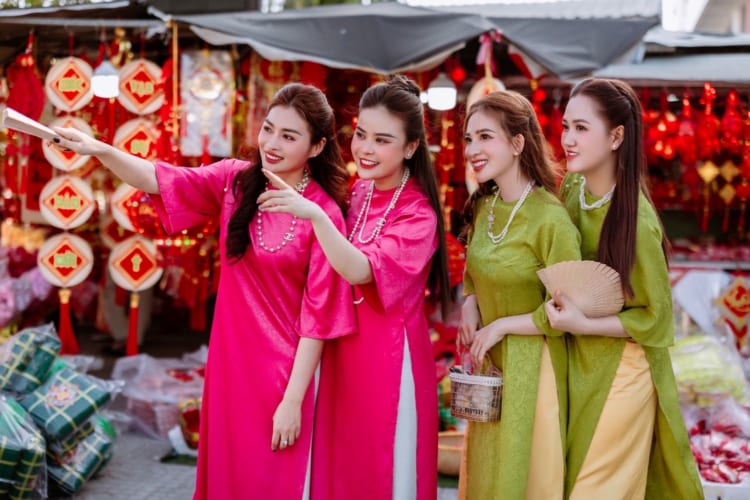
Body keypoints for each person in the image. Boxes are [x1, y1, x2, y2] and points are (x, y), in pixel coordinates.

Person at [50, 83, 357, 500]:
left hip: (285, 375)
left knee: (276, 480)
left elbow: (319, 317)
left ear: (317, 146)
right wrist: (99, 149)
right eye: (269, 129)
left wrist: (293, 400)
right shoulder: (235, 180)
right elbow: (159, 178)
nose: (272, 143)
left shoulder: (323, 215)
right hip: (230, 366)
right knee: (229, 479)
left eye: (289, 136)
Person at [258, 75, 450, 500]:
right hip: (341, 350)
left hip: (387, 358)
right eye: (361, 134)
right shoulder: (359, 192)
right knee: (339, 468)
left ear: (411, 148)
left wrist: (318, 217)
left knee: (382, 469)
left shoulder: (419, 215)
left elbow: (362, 269)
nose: (365, 148)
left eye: (382, 140)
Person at [548, 77, 703, 499]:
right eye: (565, 127)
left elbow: (657, 318)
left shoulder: (638, 222)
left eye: (581, 128)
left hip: (624, 372)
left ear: (617, 136)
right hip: (579, 363)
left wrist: (583, 322)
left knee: (593, 489)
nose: (567, 139)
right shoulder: (573, 188)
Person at [455, 90, 581, 499]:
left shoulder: (550, 218)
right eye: (469, 138)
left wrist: (504, 325)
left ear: (517, 143)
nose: (473, 149)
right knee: (487, 476)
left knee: (522, 479)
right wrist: (470, 302)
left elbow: (571, 308)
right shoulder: (484, 207)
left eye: (485, 137)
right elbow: (477, 270)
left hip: (535, 370)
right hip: (490, 371)